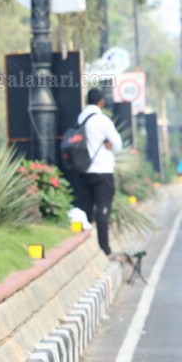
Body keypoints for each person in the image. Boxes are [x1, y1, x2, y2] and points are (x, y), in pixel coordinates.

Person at [73, 87, 123, 256]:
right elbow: (118, 144)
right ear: (101, 101)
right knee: (102, 211)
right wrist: (108, 143)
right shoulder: (102, 120)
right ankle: (105, 249)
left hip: (84, 171)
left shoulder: (80, 119)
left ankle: (85, 250)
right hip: (102, 171)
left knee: (85, 211)